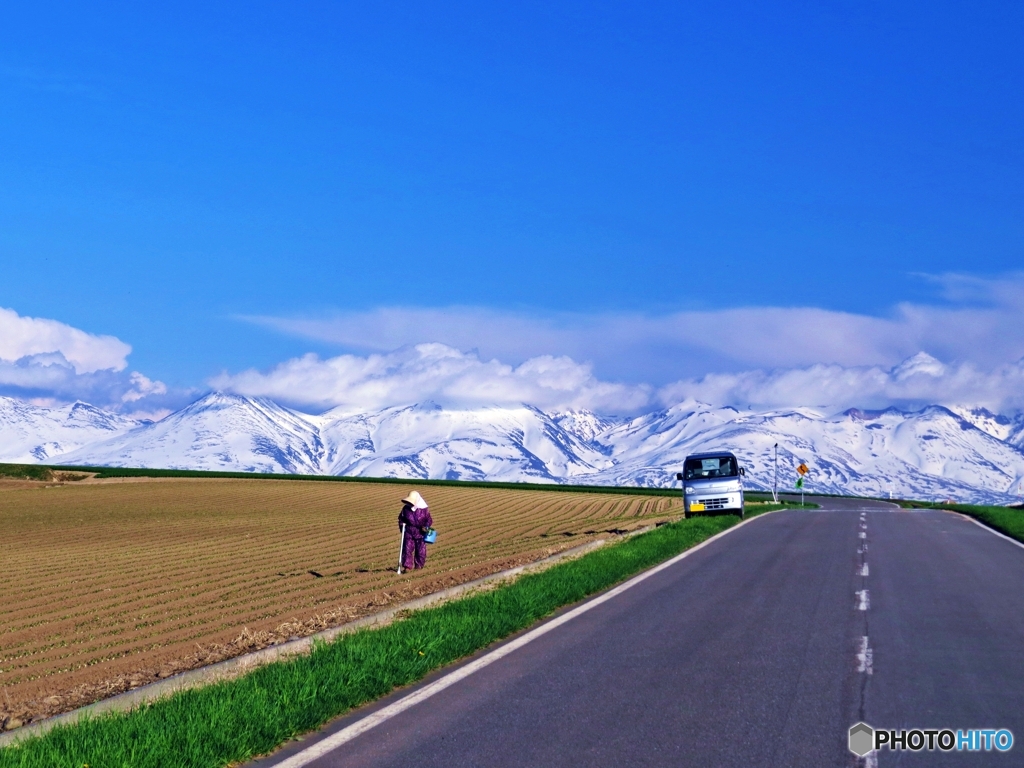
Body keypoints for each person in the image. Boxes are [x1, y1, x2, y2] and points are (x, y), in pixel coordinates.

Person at [398, 490, 432, 571]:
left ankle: (419, 566)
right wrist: (402, 525)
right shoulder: (405, 509)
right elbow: (401, 518)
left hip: (420, 533)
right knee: (407, 549)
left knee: (421, 551)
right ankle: (407, 567)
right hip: (409, 531)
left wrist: (426, 527)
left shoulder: (424, 510)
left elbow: (429, 520)